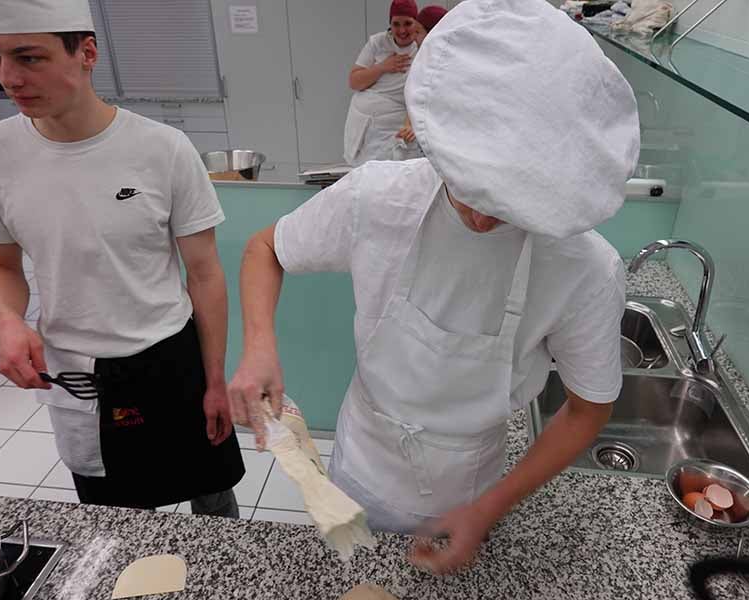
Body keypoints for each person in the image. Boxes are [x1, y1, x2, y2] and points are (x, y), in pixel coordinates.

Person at [230, 0, 640, 573]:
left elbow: (587, 410)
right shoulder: (379, 198)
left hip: (469, 490)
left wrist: (487, 509)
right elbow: (265, 249)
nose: (482, 218)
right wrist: (258, 348)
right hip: (360, 464)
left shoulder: (585, 269)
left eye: (511, 205)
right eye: (469, 187)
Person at [0, 0, 244, 516]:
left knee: (212, 497)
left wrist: (216, 379)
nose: (9, 77)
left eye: (29, 57)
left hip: (170, 356)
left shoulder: (163, 148)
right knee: (114, 520)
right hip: (79, 369)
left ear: (87, 52)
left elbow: (204, 274)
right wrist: (6, 321)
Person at [343, 0, 419, 167]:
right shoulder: (377, 43)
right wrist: (383, 67)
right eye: (396, 24)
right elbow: (354, 82)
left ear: (416, 24)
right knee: (364, 174)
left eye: (407, 23)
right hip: (364, 127)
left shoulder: (421, 49)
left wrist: (411, 124)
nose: (402, 30)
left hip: (396, 129)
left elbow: (421, 96)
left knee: (390, 174)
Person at [393, 4, 448, 160]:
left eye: (418, 32)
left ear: (432, 33)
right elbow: (415, 97)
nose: (413, 37)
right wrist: (409, 125)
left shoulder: (447, 65)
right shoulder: (423, 60)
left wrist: (416, 125)